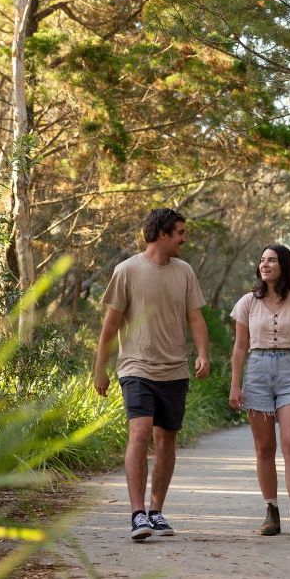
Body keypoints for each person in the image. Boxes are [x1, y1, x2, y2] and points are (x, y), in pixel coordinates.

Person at [94, 208, 210, 541]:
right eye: (180, 233)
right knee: (140, 431)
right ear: (163, 234)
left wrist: (203, 354)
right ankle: (136, 514)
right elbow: (110, 326)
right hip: (136, 367)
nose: (184, 239)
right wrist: (99, 369)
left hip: (174, 369)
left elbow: (196, 320)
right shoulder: (127, 270)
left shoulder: (185, 272)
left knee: (166, 440)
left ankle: (156, 511)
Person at [229, 244, 290, 537]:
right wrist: (235, 385)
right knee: (264, 448)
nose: (264, 265)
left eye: (272, 260)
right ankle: (271, 510)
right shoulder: (246, 303)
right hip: (257, 372)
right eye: (262, 260)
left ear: (284, 266)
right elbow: (240, 347)